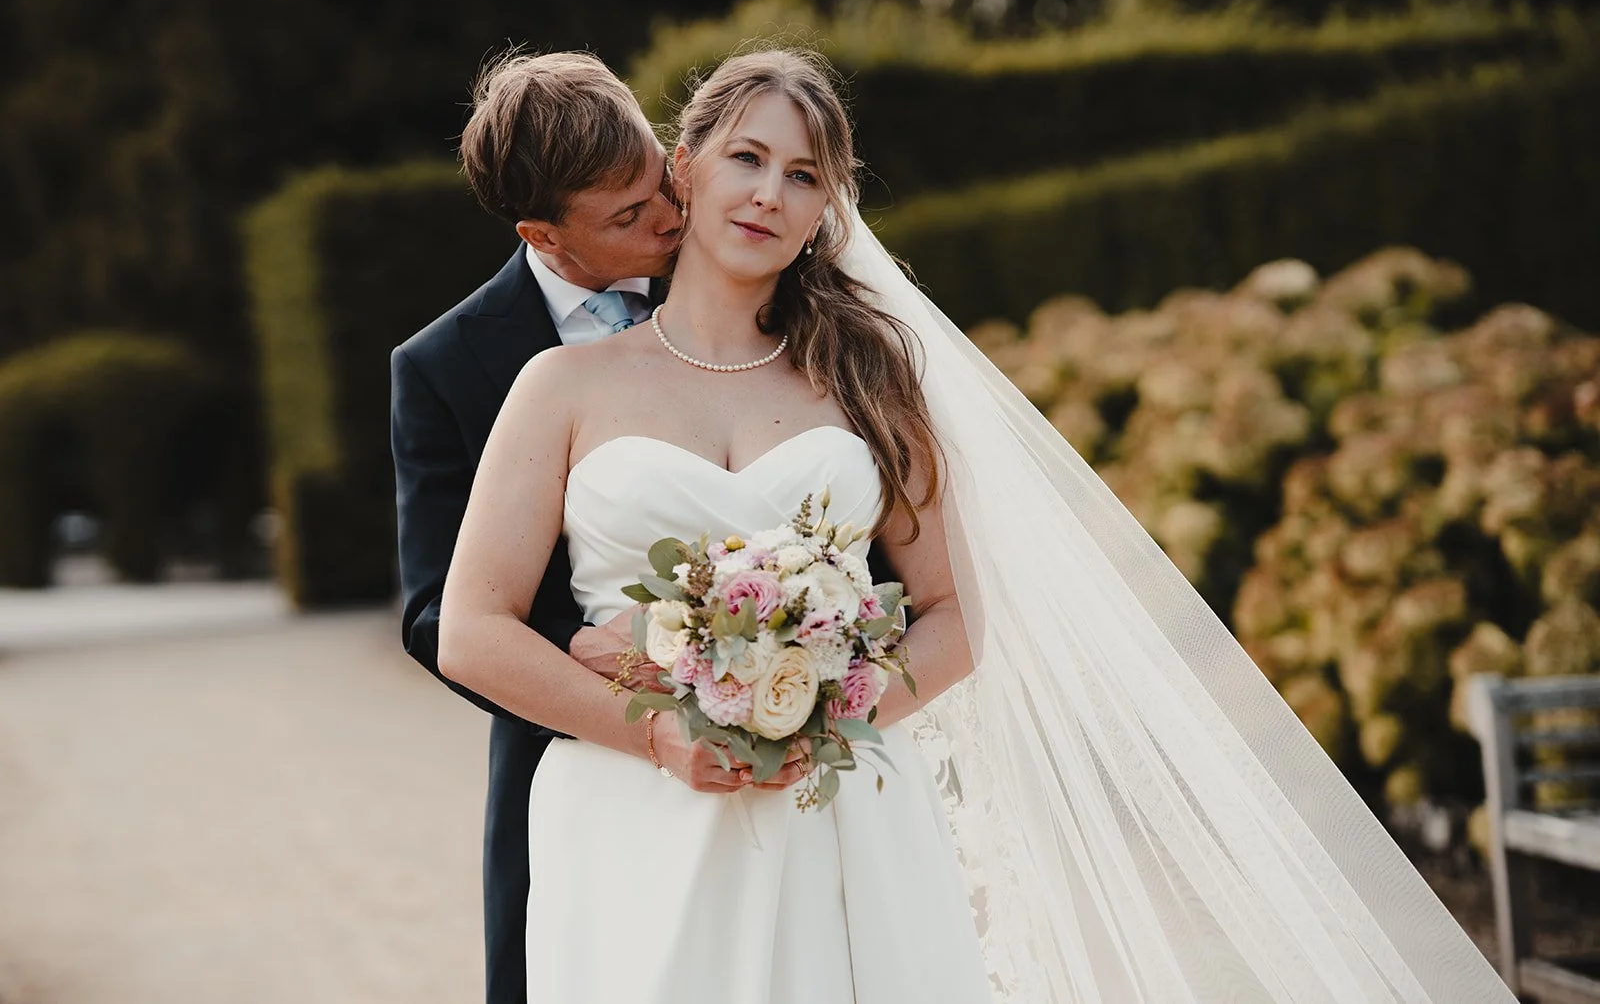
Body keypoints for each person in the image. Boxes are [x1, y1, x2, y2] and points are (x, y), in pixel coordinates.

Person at [437, 49, 1517, 1003]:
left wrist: (817, 716)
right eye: (748, 158)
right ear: (684, 164)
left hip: (838, 813)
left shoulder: (862, 379)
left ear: (828, 212)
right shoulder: (560, 386)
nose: (770, 192)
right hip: (630, 821)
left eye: (805, 175)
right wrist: (662, 732)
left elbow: (952, 616)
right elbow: (472, 628)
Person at [389, 51, 687, 1004]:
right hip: (567, 751)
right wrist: (605, 658)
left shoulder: (737, 282)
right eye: (629, 217)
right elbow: (436, 610)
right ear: (543, 234)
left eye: (661, 181)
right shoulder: (440, 366)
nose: (670, 220)